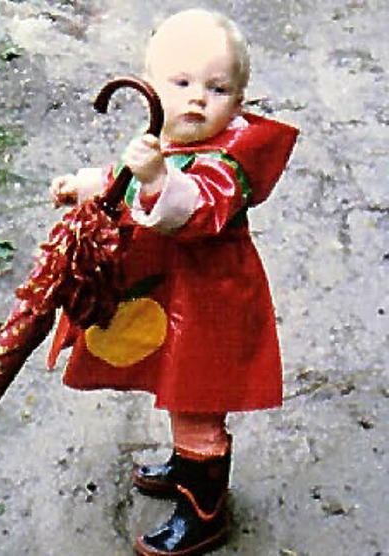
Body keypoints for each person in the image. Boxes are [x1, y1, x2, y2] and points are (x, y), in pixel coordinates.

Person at [48, 8, 298, 556]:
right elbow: (125, 186)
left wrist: (159, 178)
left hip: (212, 305)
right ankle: (186, 465)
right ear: (153, 85)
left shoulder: (229, 162)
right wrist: (89, 185)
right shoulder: (165, 138)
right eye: (181, 83)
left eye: (218, 88)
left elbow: (194, 209)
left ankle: (203, 508)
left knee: (198, 398)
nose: (197, 100)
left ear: (239, 100)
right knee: (179, 387)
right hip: (177, 295)